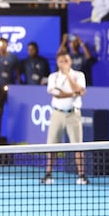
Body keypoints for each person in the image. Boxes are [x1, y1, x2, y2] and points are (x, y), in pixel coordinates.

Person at [41, 50, 89, 186]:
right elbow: (56, 94)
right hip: (57, 114)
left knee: (78, 146)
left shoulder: (79, 75)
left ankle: (81, 176)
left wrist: (68, 76)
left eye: (66, 61)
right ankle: (48, 174)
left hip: (73, 114)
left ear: (70, 61)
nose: (64, 64)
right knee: (52, 146)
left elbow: (80, 90)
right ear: (57, 62)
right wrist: (74, 93)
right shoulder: (53, 77)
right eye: (61, 61)